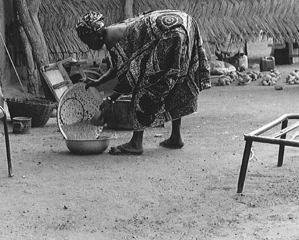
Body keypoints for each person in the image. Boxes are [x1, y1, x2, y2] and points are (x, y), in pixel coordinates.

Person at [75, 9, 211, 155]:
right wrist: (98, 81)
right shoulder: (110, 32)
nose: (89, 46)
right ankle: (175, 137)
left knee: (144, 87)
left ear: (96, 34)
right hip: (184, 22)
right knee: (174, 82)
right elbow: (118, 66)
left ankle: (136, 143)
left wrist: (110, 99)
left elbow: (129, 76)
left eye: (88, 41)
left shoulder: (112, 39)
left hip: (171, 32)